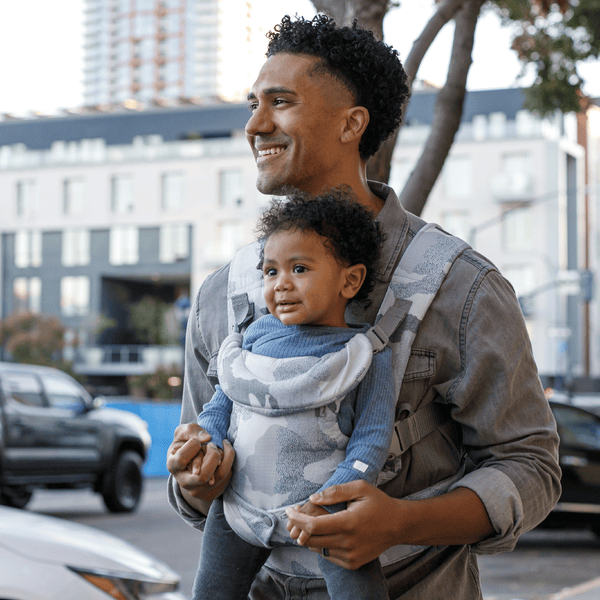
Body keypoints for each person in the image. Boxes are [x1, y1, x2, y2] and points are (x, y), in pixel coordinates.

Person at [167, 14, 561, 599]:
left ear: (352, 123)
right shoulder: (223, 294)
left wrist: (400, 524)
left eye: (280, 101)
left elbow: (531, 466)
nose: (254, 124)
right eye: (252, 103)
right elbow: (193, 488)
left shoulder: (461, 287)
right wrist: (199, 477)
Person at [190, 191, 394, 600]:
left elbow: (371, 440)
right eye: (269, 272)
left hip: (326, 517)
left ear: (349, 280)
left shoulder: (363, 357)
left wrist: (336, 495)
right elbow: (222, 402)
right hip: (239, 510)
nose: (280, 284)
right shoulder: (249, 340)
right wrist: (206, 441)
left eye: (298, 269)